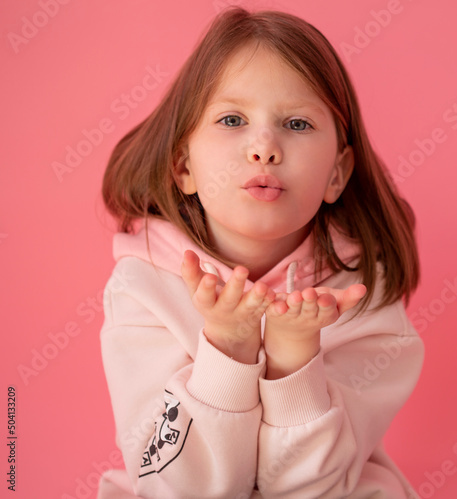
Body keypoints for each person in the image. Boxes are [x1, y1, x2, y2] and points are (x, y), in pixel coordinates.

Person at [97, 7, 423, 498]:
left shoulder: (363, 298)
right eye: (233, 119)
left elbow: (314, 489)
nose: (264, 147)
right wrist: (228, 349)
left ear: (337, 173)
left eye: (296, 123)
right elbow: (173, 486)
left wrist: (295, 363)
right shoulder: (144, 287)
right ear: (183, 165)